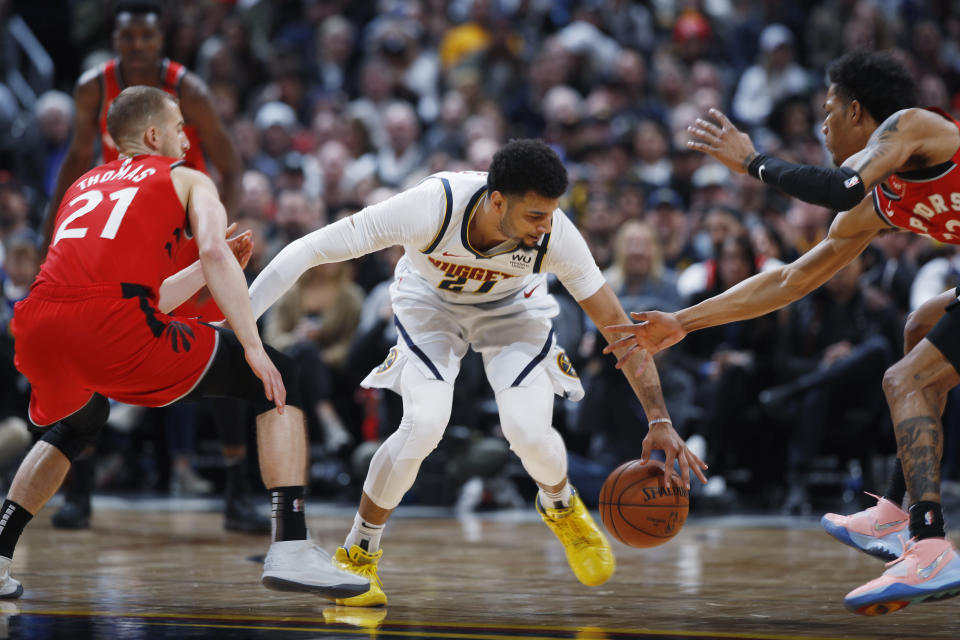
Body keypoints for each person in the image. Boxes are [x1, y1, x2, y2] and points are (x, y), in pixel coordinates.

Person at [246, 139, 707, 606]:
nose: (545, 226)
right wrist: (239, 328)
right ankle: (358, 553)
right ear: (497, 200)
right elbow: (309, 250)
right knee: (424, 423)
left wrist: (659, 419)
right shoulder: (431, 206)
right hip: (430, 301)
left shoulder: (556, 234)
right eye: (534, 216)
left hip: (512, 309)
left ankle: (560, 504)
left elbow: (620, 331)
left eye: (551, 214)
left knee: (527, 431)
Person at [606, 50, 960, 615]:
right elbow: (790, 281)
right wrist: (683, 321)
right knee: (919, 326)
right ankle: (895, 510)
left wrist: (754, 163)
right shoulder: (880, 202)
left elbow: (842, 185)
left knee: (904, 380)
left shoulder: (914, 125)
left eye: (829, 111)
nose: (822, 126)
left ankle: (930, 541)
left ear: (857, 112)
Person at [0, 86, 367, 600]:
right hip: (109, 324)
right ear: (153, 134)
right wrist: (253, 346)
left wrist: (197, 271)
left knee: (79, 421)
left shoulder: (83, 184)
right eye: (178, 130)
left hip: (38, 324)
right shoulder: (188, 178)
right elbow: (215, 252)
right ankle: (291, 547)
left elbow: (132, 293)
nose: (186, 144)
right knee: (276, 379)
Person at [43, 0, 263, 534]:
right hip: (119, 230)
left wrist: (213, 227)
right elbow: (76, 159)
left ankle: (237, 490)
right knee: (89, 347)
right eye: (127, 38)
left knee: (224, 343)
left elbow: (229, 164)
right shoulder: (94, 87)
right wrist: (57, 228)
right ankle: (80, 490)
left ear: (159, 40)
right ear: (116, 41)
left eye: (145, 38)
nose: (136, 47)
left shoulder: (188, 90)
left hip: (184, 228)